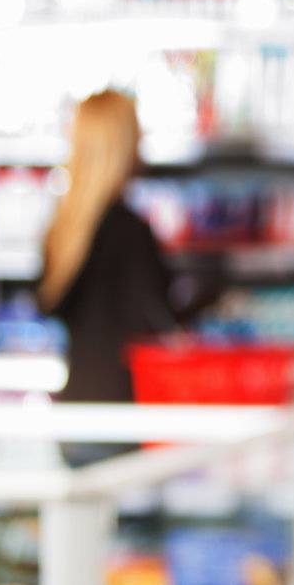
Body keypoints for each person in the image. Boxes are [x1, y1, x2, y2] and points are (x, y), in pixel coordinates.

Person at [38, 89, 179, 404]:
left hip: (77, 405)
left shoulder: (63, 230)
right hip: (126, 409)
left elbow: (48, 306)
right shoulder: (131, 231)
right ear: (124, 144)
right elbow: (158, 320)